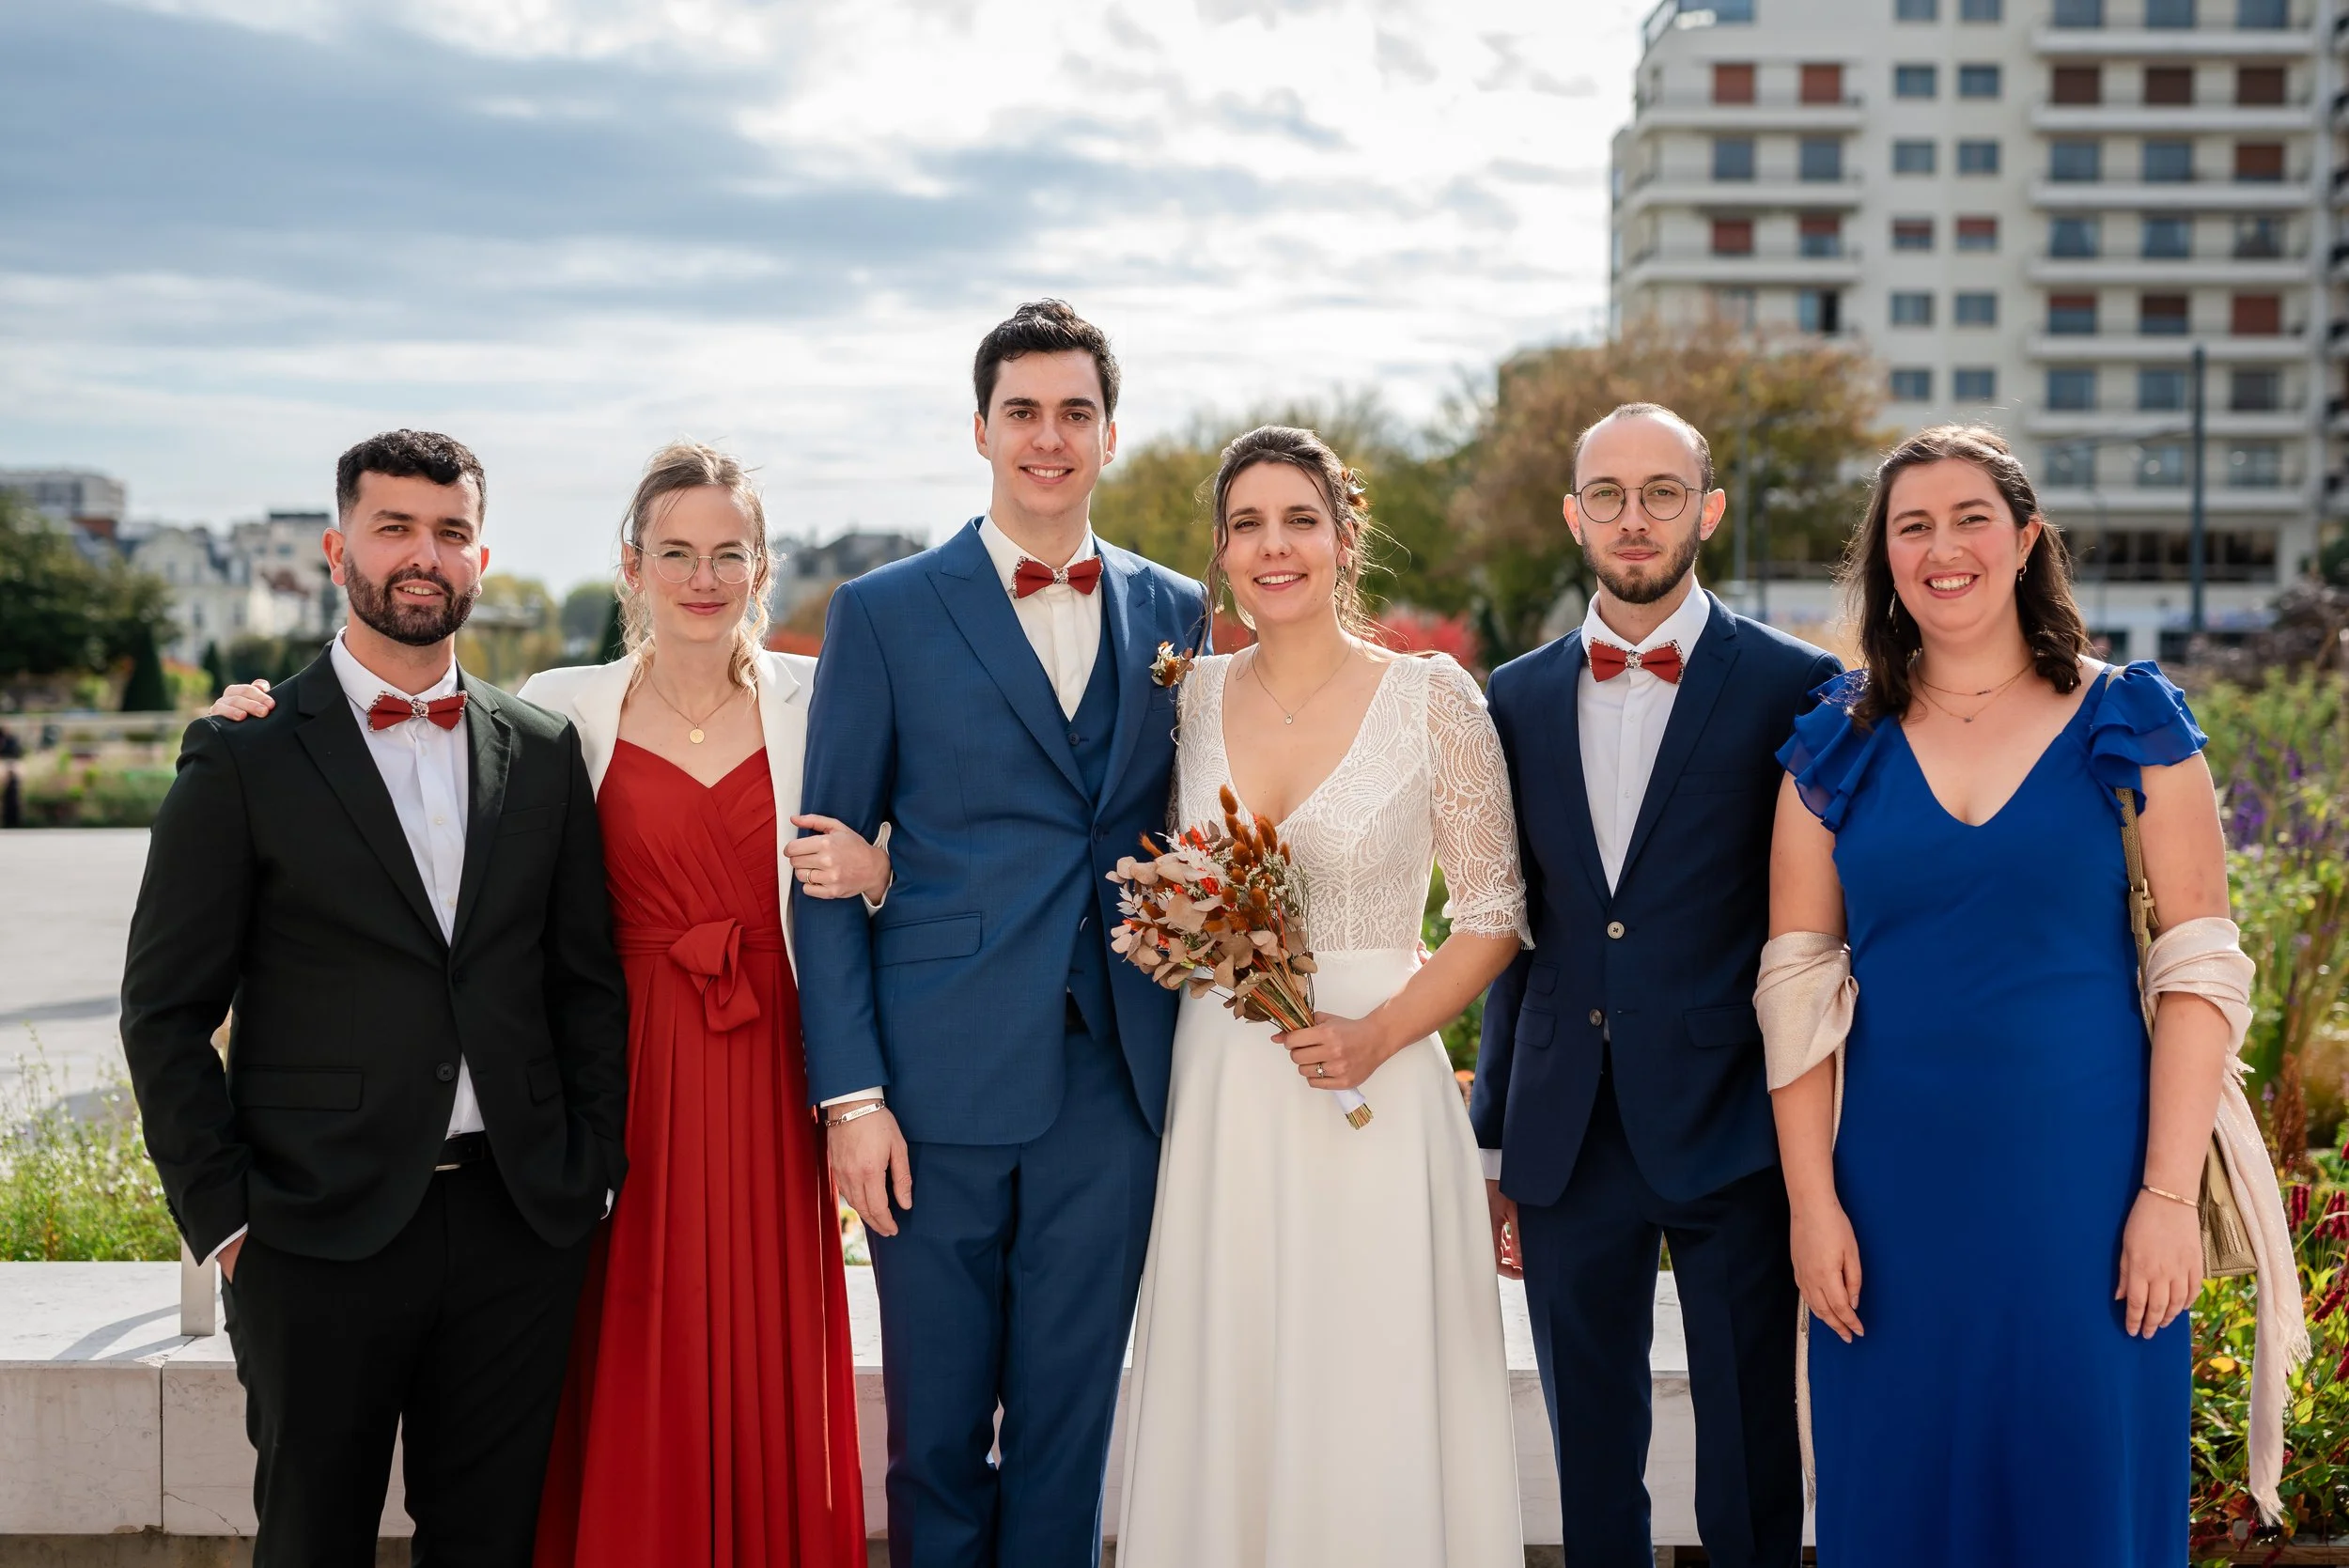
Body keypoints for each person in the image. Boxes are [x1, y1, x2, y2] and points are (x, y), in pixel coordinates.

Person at [203, 442, 894, 1567]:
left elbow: (915, 860)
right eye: (674, 551)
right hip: (625, 1094)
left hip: (770, 1075)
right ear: (632, 565)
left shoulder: (826, 706)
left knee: (758, 1359)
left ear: (763, 568)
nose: (701, 575)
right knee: (625, 1360)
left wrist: (879, 875)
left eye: (728, 553)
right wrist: (259, 705)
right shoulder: (558, 709)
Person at [120, 429, 630, 1567]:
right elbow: (162, 1012)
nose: (423, 555)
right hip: (310, 1235)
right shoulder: (242, 756)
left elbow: (585, 985)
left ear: (480, 558)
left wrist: (586, 1171)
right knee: (312, 1542)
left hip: (517, 1226)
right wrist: (230, 1224)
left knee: (493, 1543)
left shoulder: (541, 750)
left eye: (449, 532)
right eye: (394, 527)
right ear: (334, 546)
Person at [1762, 426, 2248, 1564]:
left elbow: (2199, 970)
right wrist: (1810, 1205)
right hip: (1886, 1206)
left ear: (2026, 539)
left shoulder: (2130, 722)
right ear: (1884, 560)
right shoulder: (1834, 746)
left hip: (2090, 1199)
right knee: (1899, 1500)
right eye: (1911, 526)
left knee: (2083, 1501)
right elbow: (1795, 991)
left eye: (1971, 517)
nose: (1944, 548)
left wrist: (2167, 1198)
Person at [792, 300, 1209, 1568]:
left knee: (1070, 1431)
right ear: (980, 429)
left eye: (1074, 412)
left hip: (1116, 1083)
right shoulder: (885, 612)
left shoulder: (1180, 611)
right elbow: (822, 867)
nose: (1049, 436)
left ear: (1111, 435)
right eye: (1023, 412)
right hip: (934, 1084)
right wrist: (851, 1096)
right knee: (931, 1436)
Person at [1114, 426, 1528, 1566]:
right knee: (1230, 1370)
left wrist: (1379, 1033)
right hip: (1225, 1091)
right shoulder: (1186, 698)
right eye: (1246, 524)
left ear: (1346, 540)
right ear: (1220, 551)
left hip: (1378, 1095)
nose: (1272, 545)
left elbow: (1494, 910)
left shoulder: (1431, 696)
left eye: (1298, 519)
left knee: (1371, 1375)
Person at [1470, 404, 1837, 1568]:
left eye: (1663, 492)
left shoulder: (1799, 685)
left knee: (1748, 1466)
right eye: (1611, 495)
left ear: (1707, 510)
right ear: (1575, 515)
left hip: (1736, 1125)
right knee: (1591, 1460)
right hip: (1566, 1130)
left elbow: (1819, 926)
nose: (1636, 519)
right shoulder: (1513, 697)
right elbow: (1506, 923)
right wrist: (1492, 1144)